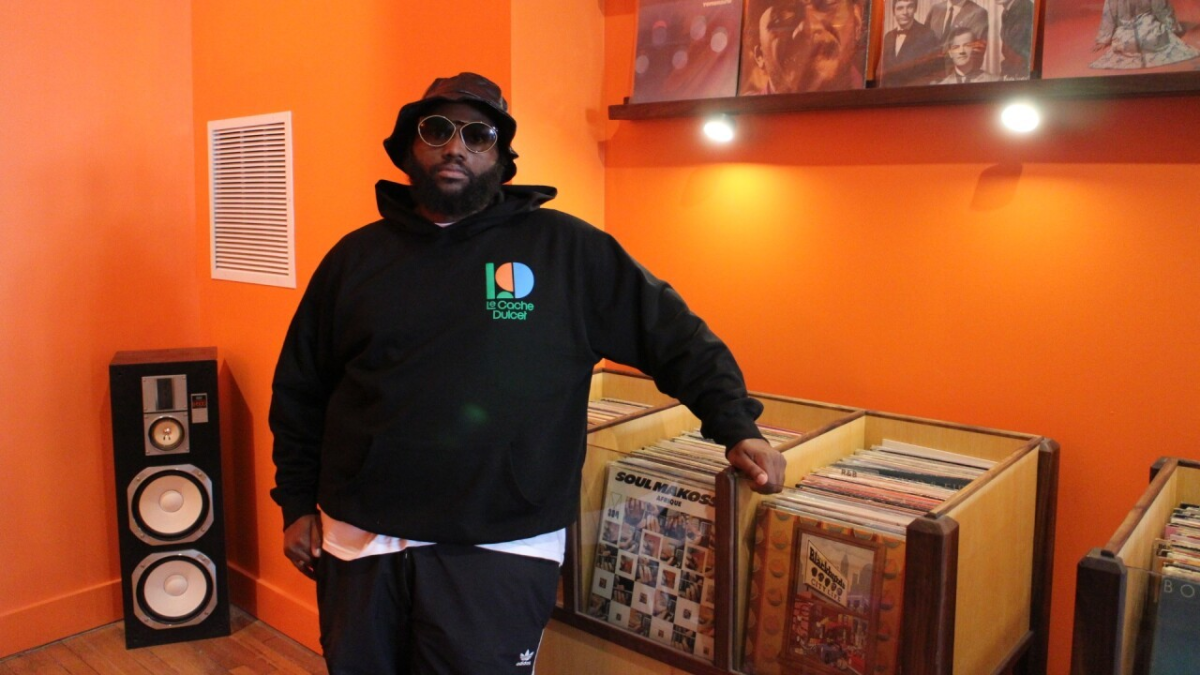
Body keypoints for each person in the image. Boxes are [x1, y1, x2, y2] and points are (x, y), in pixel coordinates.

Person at [269, 72, 786, 675]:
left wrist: (736, 426)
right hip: (359, 537)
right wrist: (296, 502)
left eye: (477, 135)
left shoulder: (568, 251)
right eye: (437, 130)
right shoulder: (354, 259)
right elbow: (301, 389)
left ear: (502, 157)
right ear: (409, 146)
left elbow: (676, 339)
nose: (455, 147)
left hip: (503, 542)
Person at [744, 0, 867, 94]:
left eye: (826, 4)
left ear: (857, 22)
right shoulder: (746, 116)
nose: (810, 27)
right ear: (759, 55)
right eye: (782, 18)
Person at [1090, 0, 1200, 69]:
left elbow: (1162, 9)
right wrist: (1103, 39)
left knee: (1149, 37)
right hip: (1129, 25)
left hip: (1145, 22)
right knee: (1130, 41)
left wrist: (1171, 27)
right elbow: (1109, 16)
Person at [879, 0, 944, 87]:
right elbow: (884, 73)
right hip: (890, 93)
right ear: (894, 12)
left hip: (915, 92)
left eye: (909, 7)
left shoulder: (927, 34)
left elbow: (937, 71)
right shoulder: (888, 37)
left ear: (915, 9)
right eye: (900, 8)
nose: (905, 12)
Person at [936, 26, 1000, 83]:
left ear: (974, 48)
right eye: (956, 47)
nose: (962, 51)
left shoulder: (993, 81)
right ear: (950, 53)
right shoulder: (943, 85)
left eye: (967, 45)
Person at [998, 0, 1034, 79]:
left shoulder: (1024, 8)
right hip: (1014, 72)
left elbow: (1019, 50)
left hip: (1023, 74)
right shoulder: (1007, 11)